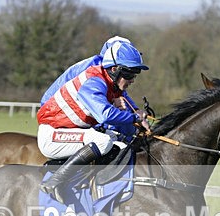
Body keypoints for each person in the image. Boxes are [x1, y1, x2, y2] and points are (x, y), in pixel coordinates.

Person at [37, 40, 151, 204]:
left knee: (121, 143)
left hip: (68, 130)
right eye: (130, 74)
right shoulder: (94, 81)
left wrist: (137, 116)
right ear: (114, 69)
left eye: (135, 75)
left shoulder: (109, 81)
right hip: (52, 135)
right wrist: (135, 118)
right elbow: (105, 115)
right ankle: (56, 182)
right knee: (103, 141)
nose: (132, 80)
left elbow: (124, 102)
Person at [40, 35, 130, 106]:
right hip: (53, 105)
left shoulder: (106, 67)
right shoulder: (96, 66)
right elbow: (93, 99)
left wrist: (136, 110)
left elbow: (120, 94)